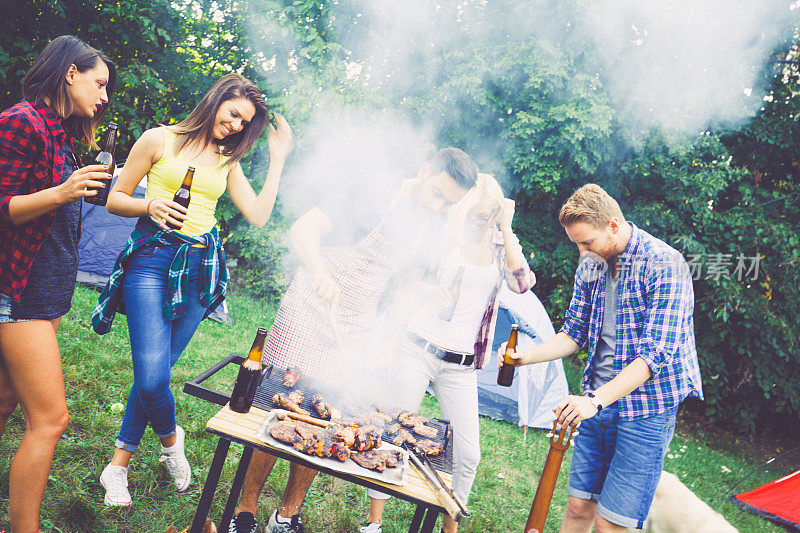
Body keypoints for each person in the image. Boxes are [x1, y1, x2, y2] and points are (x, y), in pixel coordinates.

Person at [230, 147, 478, 533]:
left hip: (356, 316)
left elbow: (409, 287)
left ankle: (286, 515)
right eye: (437, 194)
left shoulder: (434, 226)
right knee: (273, 409)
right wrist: (320, 273)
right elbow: (303, 230)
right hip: (310, 302)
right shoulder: (374, 190)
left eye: (449, 203)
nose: (438, 207)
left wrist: (390, 341)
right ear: (424, 169)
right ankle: (244, 512)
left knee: (327, 417)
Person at [92, 73, 293, 506]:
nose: (237, 125)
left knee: (157, 374)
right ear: (218, 100)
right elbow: (114, 198)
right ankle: (171, 440)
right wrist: (149, 203)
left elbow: (258, 214)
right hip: (151, 259)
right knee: (152, 377)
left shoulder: (227, 161)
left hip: (200, 268)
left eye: (245, 123)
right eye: (234, 113)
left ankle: (117, 467)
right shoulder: (157, 139)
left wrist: (277, 160)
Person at [499, 184, 703, 532]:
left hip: (646, 411)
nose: (582, 251)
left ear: (612, 225)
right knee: (579, 508)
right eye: (576, 244)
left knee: (613, 525)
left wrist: (594, 401)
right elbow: (573, 333)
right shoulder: (592, 265)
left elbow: (655, 355)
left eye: (587, 242)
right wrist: (524, 358)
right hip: (597, 401)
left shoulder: (665, 264)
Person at [359, 174, 535, 533]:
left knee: (468, 455)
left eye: (489, 216)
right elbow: (407, 284)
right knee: (394, 433)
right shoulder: (443, 240)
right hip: (418, 350)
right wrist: (427, 293)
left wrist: (506, 227)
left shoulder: (501, 248)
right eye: (476, 215)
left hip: (462, 366)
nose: (481, 223)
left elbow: (522, 283)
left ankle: (448, 528)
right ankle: (373, 524)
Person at [0, 35, 116, 532]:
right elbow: (5, 205)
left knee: (5, 405)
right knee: (51, 420)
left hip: (41, 295)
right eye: (100, 82)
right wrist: (62, 191)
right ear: (71, 72)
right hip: (16, 293)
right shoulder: (20, 121)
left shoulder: (58, 132)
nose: (105, 95)